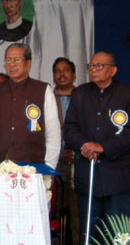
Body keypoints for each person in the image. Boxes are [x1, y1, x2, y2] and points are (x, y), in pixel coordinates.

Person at [64, 52, 130, 241]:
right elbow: (69, 128)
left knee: (121, 236)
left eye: (100, 66)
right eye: (91, 65)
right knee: (90, 234)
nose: (93, 69)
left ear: (113, 70)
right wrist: (85, 145)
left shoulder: (127, 95)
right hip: (88, 178)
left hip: (119, 180)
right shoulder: (80, 93)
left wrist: (102, 147)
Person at [0, 43, 61, 171]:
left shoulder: (43, 90)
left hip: (33, 168)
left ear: (28, 64)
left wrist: (49, 166)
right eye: (8, 60)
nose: (11, 64)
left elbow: (53, 132)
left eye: (17, 60)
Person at [52, 57, 80, 245]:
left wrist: (75, 150)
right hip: (54, 163)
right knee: (53, 212)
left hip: (80, 162)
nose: (62, 74)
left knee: (78, 213)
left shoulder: (85, 96)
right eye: (58, 71)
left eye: (66, 70)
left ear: (74, 74)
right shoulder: (46, 98)